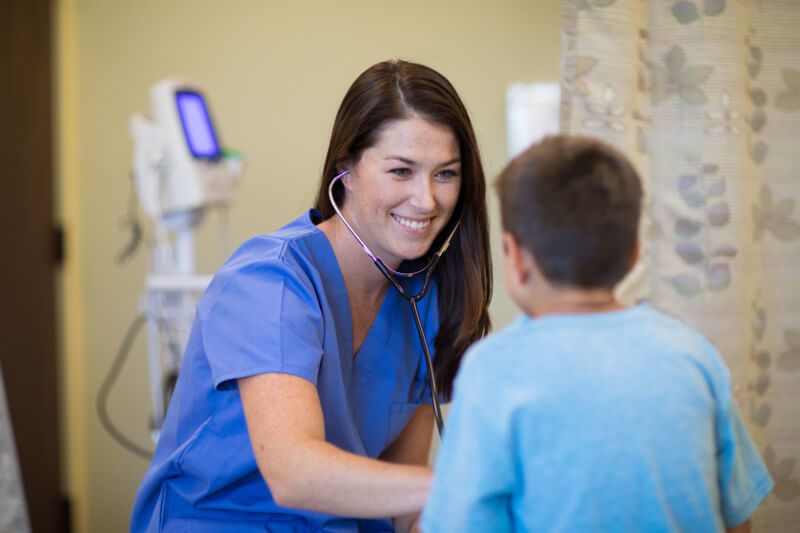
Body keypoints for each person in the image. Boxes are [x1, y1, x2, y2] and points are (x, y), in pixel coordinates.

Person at [130, 59, 492, 532]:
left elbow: (405, 508)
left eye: (445, 174)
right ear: (347, 168)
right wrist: (470, 484)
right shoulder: (270, 281)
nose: (426, 200)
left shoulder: (428, 299)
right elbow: (292, 473)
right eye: (401, 171)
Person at [420, 135, 773, 532]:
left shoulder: (493, 370)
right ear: (634, 255)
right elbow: (737, 519)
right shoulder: (694, 355)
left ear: (515, 258)